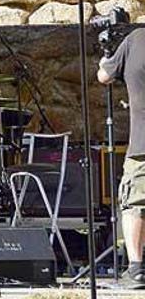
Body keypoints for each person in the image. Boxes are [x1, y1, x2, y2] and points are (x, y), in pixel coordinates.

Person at [98, 28, 145, 287]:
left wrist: (106, 54)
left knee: (134, 203)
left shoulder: (135, 40)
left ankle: (136, 268)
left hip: (143, 143)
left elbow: (104, 75)